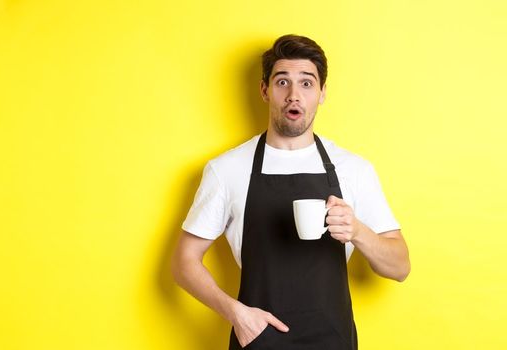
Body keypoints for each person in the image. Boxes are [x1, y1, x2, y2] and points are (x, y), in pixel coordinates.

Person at [171, 34, 410, 350]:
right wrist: (236, 314)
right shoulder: (226, 170)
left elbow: (400, 267)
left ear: (322, 93)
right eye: (282, 82)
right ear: (264, 90)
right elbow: (183, 261)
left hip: (334, 341)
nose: (294, 95)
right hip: (259, 342)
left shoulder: (353, 169)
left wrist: (357, 231)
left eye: (307, 84)